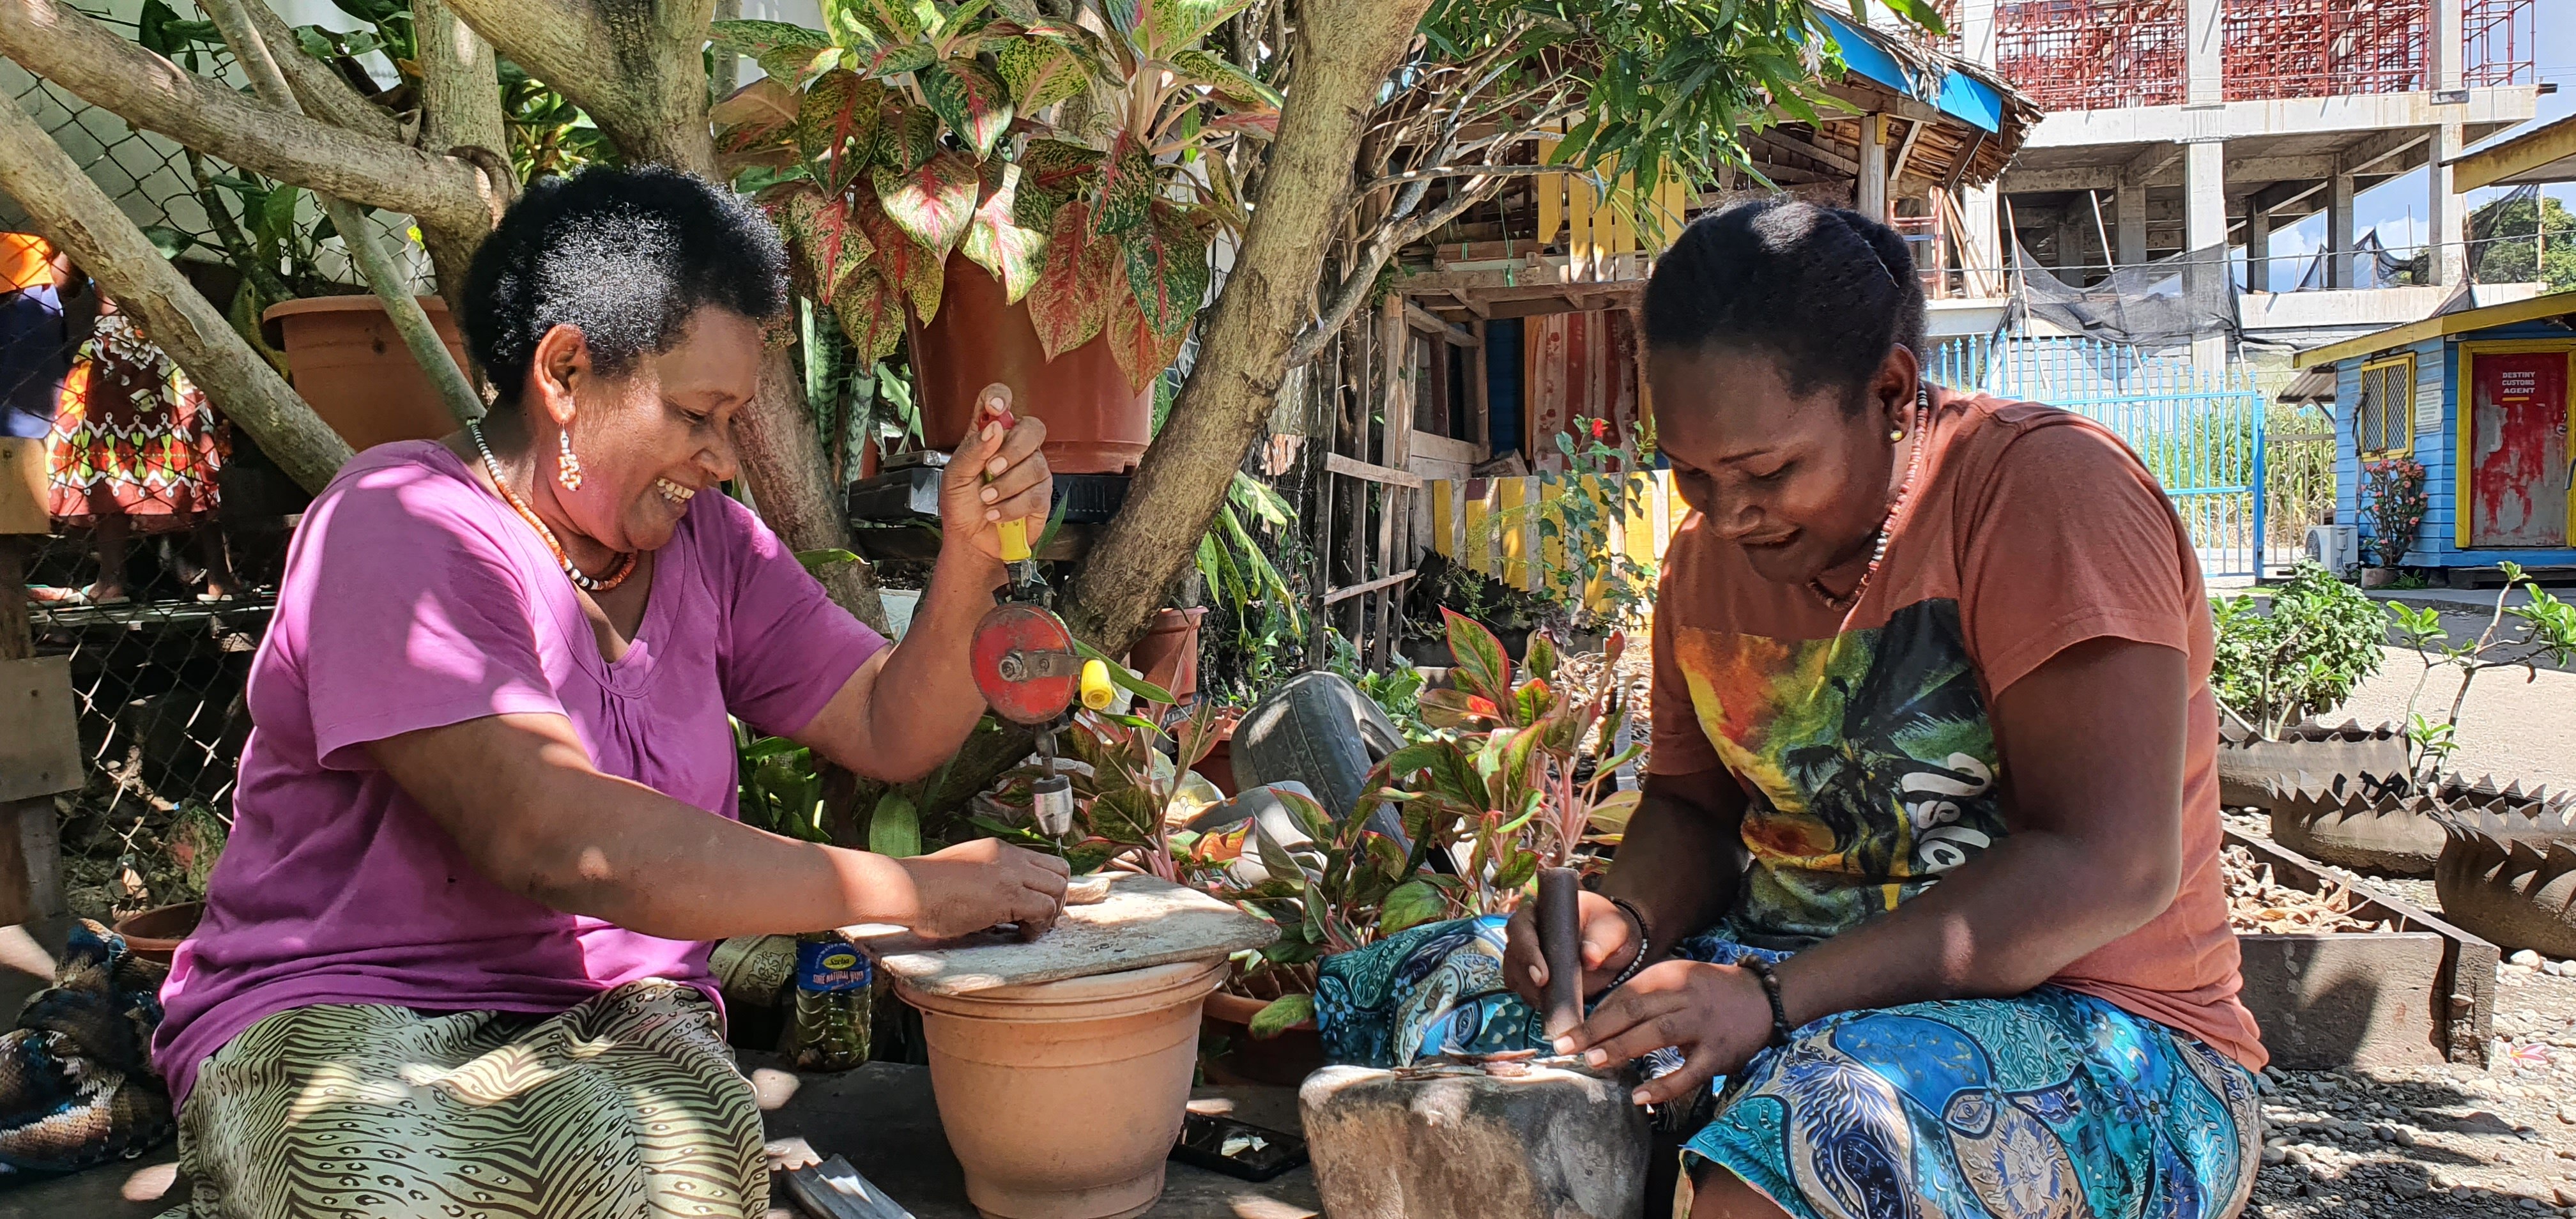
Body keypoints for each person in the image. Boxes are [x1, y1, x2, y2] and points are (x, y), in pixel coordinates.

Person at [151, 166, 1070, 1218]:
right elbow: (549, 834)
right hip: (348, 1004)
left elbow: (886, 723)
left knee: (672, 1180)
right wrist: (908, 891)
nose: (722, 460)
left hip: (621, 1018)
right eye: (696, 415)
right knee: (395, 1184)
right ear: (564, 370)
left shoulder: (709, 548)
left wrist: (966, 555)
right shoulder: (398, 520)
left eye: (732, 419)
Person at [1326, 199, 2264, 1219]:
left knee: (1810, 1146)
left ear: (1892, 392)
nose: (1727, 515)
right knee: (1419, 995)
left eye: (1768, 471)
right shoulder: (1707, 562)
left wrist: (1776, 1003)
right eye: (1690, 473)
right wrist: (1624, 917)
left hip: (2098, 1032)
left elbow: (2108, 861)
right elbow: (1692, 809)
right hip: (1782, 984)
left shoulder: (2048, 496)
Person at [38, 289, 238, 604]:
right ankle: (220, 578)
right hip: (168, 339)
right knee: (189, 459)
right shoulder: (169, 249)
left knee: (108, 462)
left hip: (112, 347)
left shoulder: (96, 241)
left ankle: (110, 581)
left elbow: (66, 283)